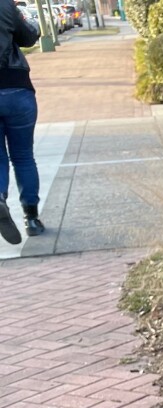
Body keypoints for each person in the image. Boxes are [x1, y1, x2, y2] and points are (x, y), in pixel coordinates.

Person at [0, 0, 44, 245]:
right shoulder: (5, 5)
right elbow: (28, 37)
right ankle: (32, 219)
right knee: (24, 156)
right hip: (16, 88)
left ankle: (0, 198)